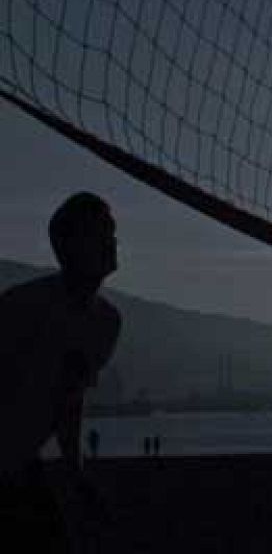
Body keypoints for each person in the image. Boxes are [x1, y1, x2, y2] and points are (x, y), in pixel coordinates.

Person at [0, 192, 122, 549]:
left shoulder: (106, 323)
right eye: (101, 233)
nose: (112, 242)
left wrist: (75, 472)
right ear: (70, 247)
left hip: (20, 465)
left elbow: (69, 399)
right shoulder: (20, 308)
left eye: (111, 232)